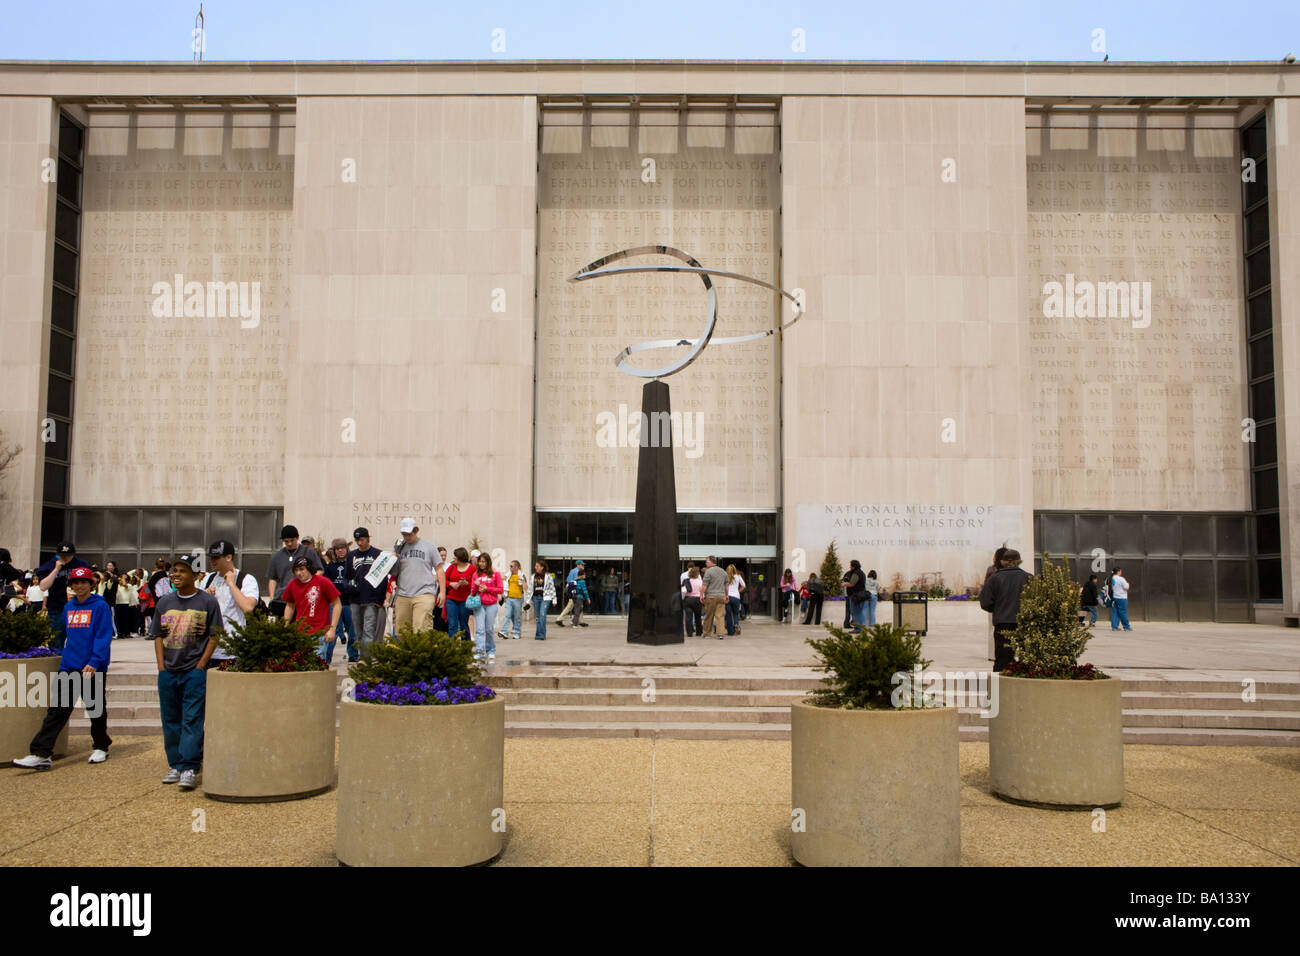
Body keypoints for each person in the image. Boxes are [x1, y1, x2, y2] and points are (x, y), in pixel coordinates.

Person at [12, 566, 114, 770]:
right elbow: (67, 637)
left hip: (91, 668)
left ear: (91, 584)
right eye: (76, 583)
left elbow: (103, 636)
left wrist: (94, 662)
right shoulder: (69, 608)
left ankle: (101, 746)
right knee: (58, 710)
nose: (80, 586)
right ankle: (41, 753)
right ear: (71, 586)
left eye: (84, 582)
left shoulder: (100, 606)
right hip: (69, 665)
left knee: (95, 710)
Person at [152, 555, 223, 791]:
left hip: (194, 671)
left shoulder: (207, 602)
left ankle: (190, 766)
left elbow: (214, 635)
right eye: (174, 571)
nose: (177, 575)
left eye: (183, 571)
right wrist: (161, 668)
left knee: (192, 719)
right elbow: (158, 636)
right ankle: (175, 764)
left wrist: (201, 665)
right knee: (170, 720)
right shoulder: (164, 602)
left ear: (195, 575)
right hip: (168, 671)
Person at [200, 540, 261, 667]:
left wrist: (232, 585)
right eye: (210, 557)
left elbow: (248, 608)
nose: (212, 561)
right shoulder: (208, 579)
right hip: (209, 649)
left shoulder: (246, 579)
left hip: (234, 651)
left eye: (216, 557)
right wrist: (205, 596)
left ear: (229, 557)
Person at [979, 549, 1033, 671]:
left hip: (1002, 623)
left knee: (1002, 661)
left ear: (1002, 562)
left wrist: (998, 609)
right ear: (1019, 561)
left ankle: (1000, 687)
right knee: (1027, 661)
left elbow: (985, 602)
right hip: (1025, 623)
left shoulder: (994, 579)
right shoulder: (1029, 578)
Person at [283, 556, 342, 663]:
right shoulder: (293, 584)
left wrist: (332, 629)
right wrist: (285, 626)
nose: (299, 573)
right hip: (300, 633)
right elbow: (289, 606)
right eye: (296, 570)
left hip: (320, 633)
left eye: (302, 569)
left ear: (309, 569)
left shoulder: (323, 582)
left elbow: (337, 604)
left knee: (317, 663)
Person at [35, 542, 92, 651]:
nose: (65, 558)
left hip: (79, 607)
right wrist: (56, 570)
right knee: (56, 638)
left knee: (80, 637)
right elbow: (43, 586)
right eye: (62, 556)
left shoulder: (82, 564)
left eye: (68, 556)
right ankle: (58, 661)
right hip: (57, 607)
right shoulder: (49, 565)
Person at [389, 518, 442, 634]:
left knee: (421, 629)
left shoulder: (429, 546)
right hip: (403, 594)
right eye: (404, 534)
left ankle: (423, 652)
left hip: (424, 592)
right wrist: (394, 558)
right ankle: (405, 652)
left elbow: (439, 569)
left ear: (416, 530)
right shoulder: (399, 547)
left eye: (409, 534)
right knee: (401, 631)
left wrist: (442, 592)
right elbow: (393, 573)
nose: (407, 537)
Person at [346, 528, 387, 656]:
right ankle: (362, 656)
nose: (359, 543)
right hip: (355, 599)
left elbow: (383, 578)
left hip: (371, 599)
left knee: (368, 631)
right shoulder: (351, 555)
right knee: (358, 632)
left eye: (362, 540)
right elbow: (346, 577)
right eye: (357, 540)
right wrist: (349, 587)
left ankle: (366, 661)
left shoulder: (378, 554)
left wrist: (380, 599)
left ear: (368, 538)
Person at [265, 525, 324, 616]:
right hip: (282, 599)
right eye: (286, 541)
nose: (289, 543)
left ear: (297, 538)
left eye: (292, 540)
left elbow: (320, 570)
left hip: (304, 597)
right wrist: (272, 598)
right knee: (285, 627)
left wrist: (308, 581)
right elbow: (272, 578)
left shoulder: (309, 552)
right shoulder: (277, 556)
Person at [324, 538, 360, 662]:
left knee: (353, 632)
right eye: (337, 549)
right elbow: (326, 584)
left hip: (350, 603)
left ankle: (353, 656)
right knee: (332, 630)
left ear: (347, 549)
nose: (340, 550)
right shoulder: (330, 567)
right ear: (334, 551)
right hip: (334, 604)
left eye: (342, 548)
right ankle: (326, 658)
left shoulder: (352, 565)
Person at [469, 552, 504, 662]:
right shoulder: (476, 574)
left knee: (489, 629)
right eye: (480, 561)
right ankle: (479, 651)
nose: (481, 564)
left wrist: (487, 589)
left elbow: (500, 590)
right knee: (479, 629)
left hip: (491, 605)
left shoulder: (495, 574)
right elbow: (473, 592)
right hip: (479, 605)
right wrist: (475, 585)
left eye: (483, 561)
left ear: (488, 562)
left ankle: (491, 650)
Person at [983, 546, 1009, 663]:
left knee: (992, 629)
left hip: (994, 605)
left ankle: (992, 654)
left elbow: (986, 588)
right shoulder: (1008, 571)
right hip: (1003, 604)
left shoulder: (991, 570)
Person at [443, 547, 475, 640]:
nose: (454, 558)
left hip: (465, 601)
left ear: (460, 557)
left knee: (464, 624)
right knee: (452, 624)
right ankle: (452, 648)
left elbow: (475, 584)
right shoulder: (452, 567)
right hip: (451, 599)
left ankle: (466, 648)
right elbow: (444, 580)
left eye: (455, 557)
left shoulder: (472, 568)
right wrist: (451, 584)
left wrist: (467, 584)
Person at [700, 556, 729, 639]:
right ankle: (720, 634)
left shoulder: (708, 572)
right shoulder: (723, 571)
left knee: (709, 615)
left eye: (707, 561)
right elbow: (726, 585)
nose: (706, 563)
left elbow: (704, 585)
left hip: (710, 596)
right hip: (721, 596)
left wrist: (701, 595)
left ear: (712, 562)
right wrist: (727, 595)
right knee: (720, 616)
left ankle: (707, 634)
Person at [499, 560, 526, 641]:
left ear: (516, 567)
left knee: (517, 616)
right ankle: (504, 632)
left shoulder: (521, 575)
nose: (510, 568)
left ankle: (517, 632)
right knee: (507, 615)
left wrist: (522, 580)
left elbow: (526, 588)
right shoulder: (508, 575)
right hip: (509, 598)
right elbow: (503, 583)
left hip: (518, 598)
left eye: (511, 566)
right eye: (509, 566)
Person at [531, 560, 556, 640]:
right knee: (538, 617)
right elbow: (530, 589)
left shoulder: (548, 576)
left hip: (545, 598)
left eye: (537, 566)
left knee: (542, 615)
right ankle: (538, 634)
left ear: (542, 567)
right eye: (535, 566)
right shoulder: (533, 576)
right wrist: (528, 600)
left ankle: (542, 634)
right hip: (535, 598)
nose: (535, 568)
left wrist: (554, 599)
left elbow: (552, 588)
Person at [555, 560, 584, 627]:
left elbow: (568, 580)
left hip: (571, 589)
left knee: (577, 606)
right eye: (582, 565)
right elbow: (577, 581)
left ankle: (579, 621)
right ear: (578, 565)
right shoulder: (577, 571)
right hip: (574, 590)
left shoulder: (572, 571)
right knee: (571, 606)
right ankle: (560, 619)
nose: (583, 566)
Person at [843, 560, 868, 632]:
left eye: (850, 565)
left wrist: (844, 584)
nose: (849, 566)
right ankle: (860, 628)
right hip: (860, 595)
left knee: (855, 612)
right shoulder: (861, 572)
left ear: (853, 566)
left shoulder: (856, 573)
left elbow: (852, 584)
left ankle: (857, 629)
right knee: (859, 612)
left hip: (855, 596)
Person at [681, 565, 704, 636]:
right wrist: (703, 598)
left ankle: (689, 633)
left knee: (688, 618)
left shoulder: (686, 581)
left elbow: (683, 590)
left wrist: (682, 599)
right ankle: (699, 632)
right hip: (697, 600)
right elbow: (702, 592)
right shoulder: (700, 582)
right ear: (697, 574)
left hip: (688, 600)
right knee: (698, 617)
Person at [725, 564, 746, 636]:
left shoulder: (726, 576)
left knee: (728, 615)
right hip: (736, 597)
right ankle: (736, 624)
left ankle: (730, 632)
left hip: (728, 597)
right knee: (735, 614)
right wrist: (738, 591)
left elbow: (724, 587)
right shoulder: (738, 576)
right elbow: (744, 585)